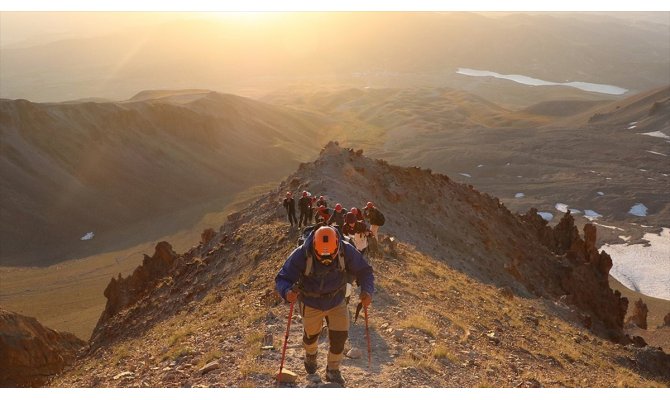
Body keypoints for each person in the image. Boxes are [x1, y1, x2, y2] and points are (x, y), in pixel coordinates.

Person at [275, 226, 374, 386]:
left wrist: (367, 291)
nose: (326, 261)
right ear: (314, 246)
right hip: (310, 301)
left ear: (337, 246)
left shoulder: (346, 250)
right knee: (311, 336)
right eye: (321, 257)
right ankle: (311, 355)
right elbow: (283, 278)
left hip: (337, 299)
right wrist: (287, 292)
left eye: (330, 256)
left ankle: (333, 369)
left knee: (339, 337)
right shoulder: (302, 253)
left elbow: (364, 271)